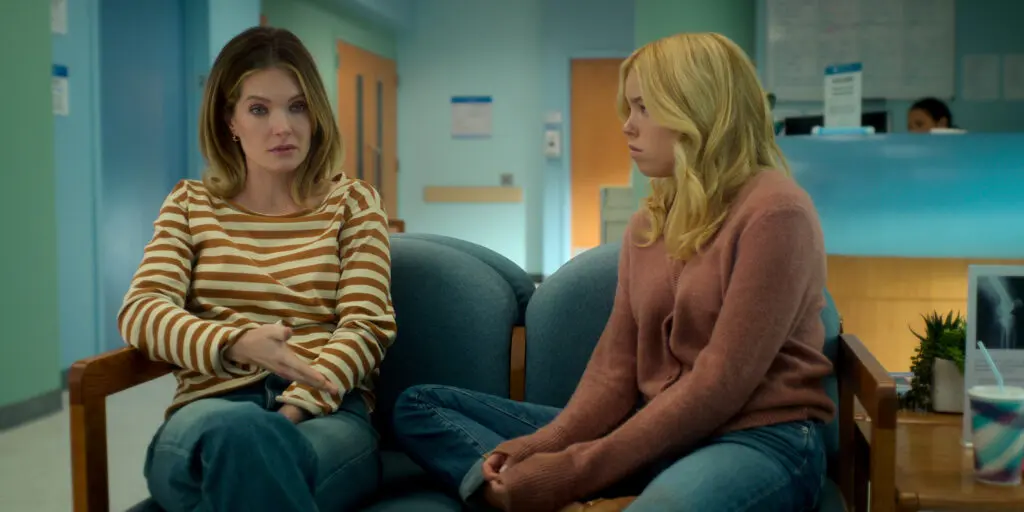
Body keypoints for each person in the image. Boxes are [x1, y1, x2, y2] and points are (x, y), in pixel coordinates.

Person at [392, 32, 835, 512]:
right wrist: (541, 447)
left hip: (754, 437)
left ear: (698, 109)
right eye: (629, 108)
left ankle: (536, 497)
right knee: (419, 406)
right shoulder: (650, 221)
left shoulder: (776, 212)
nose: (627, 126)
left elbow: (719, 384)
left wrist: (571, 472)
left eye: (644, 108)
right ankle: (520, 495)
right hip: (652, 429)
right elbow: (614, 370)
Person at [117, 26, 396, 512]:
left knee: (247, 454)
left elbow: (367, 326)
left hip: (324, 413)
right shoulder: (189, 204)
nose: (282, 127)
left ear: (316, 114)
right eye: (259, 109)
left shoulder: (353, 202)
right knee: (233, 435)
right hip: (210, 412)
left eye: (297, 106)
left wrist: (289, 413)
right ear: (230, 121)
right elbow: (141, 311)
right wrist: (235, 342)